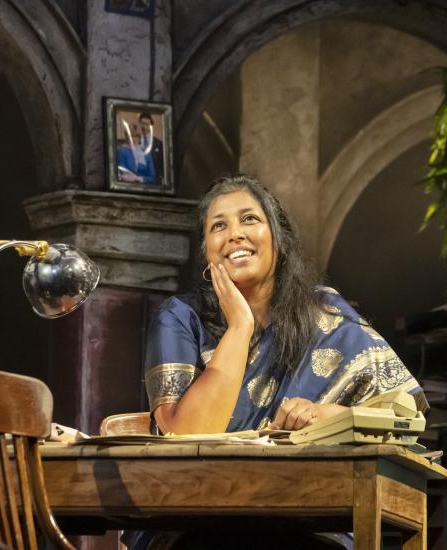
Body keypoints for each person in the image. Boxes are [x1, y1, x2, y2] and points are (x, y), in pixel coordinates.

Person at [129, 174, 427, 549]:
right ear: (207, 252)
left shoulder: (326, 315)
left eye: (249, 219)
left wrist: (326, 418)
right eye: (218, 226)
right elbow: (184, 434)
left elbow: (404, 424)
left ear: (279, 241)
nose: (234, 234)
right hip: (200, 516)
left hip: (312, 517)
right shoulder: (180, 317)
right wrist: (239, 327)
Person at [138, 112, 164, 184]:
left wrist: (160, 177)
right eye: (142, 123)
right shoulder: (134, 141)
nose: (144, 126)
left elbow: (162, 163)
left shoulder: (159, 144)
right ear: (139, 124)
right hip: (137, 181)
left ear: (151, 126)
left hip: (154, 182)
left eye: (147, 124)